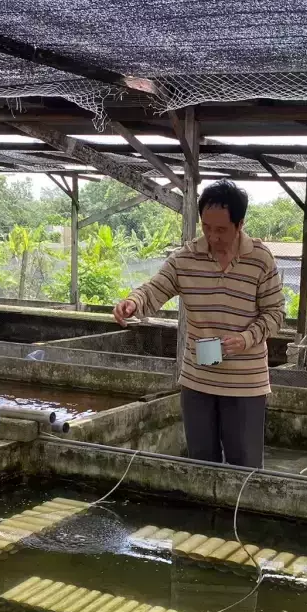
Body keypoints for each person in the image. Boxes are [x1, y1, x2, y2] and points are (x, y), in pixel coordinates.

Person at [113, 180, 284, 467]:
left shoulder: (260, 259)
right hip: (198, 380)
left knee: (245, 469)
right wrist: (132, 303)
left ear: (240, 224)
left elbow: (275, 314)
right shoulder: (186, 258)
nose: (211, 236)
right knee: (201, 466)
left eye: (221, 230)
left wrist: (246, 338)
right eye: (206, 227)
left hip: (245, 384)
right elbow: (154, 288)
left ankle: (237, 514)